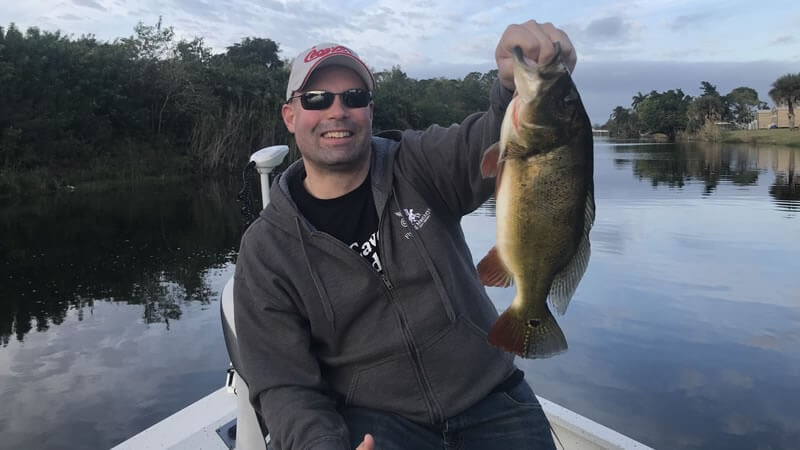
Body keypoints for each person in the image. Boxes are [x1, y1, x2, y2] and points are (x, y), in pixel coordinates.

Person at [233, 20, 577, 450]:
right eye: (317, 99)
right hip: (378, 424)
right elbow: (283, 384)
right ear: (290, 115)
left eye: (354, 97)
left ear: (370, 111)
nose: (337, 111)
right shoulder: (267, 251)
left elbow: (493, 139)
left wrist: (515, 84)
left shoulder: (418, 163)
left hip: (491, 399)